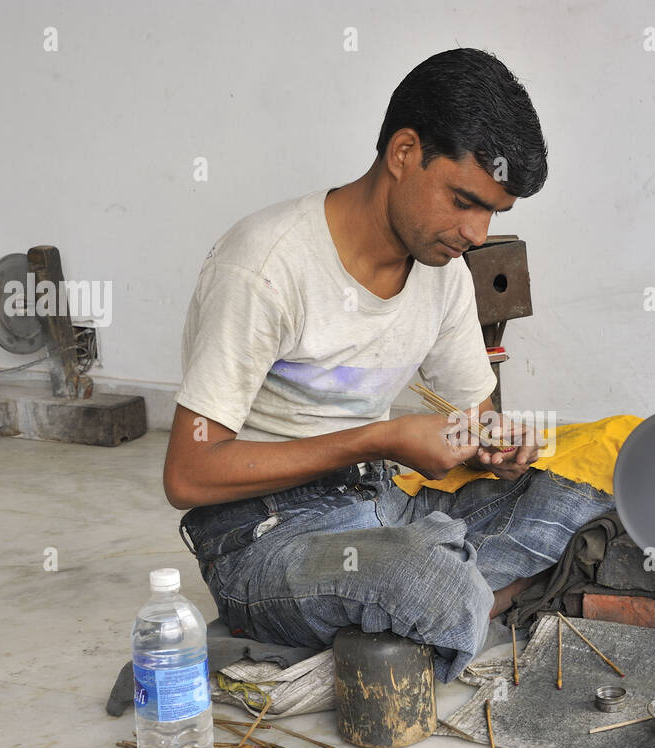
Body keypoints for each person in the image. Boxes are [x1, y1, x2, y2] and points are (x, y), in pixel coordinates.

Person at [164, 48, 615, 682]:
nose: (478, 233)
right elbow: (187, 474)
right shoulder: (265, 266)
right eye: (464, 200)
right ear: (404, 153)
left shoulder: (444, 275)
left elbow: (477, 416)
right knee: (425, 573)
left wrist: (493, 446)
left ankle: (422, 615)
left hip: (377, 507)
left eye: (494, 212)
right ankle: (452, 602)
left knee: (582, 500)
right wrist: (381, 438)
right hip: (262, 538)